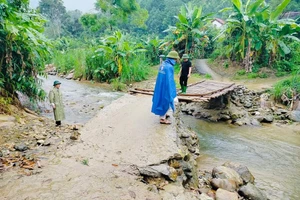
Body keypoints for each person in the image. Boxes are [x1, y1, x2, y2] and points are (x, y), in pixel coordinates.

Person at [151, 50, 179, 125]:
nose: (176, 61)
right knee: (167, 100)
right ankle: (162, 119)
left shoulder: (163, 64)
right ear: (173, 59)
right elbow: (170, 80)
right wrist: (172, 90)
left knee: (161, 100)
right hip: (166, 86)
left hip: (160, 86)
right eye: (176, 59)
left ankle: (164, 114)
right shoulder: (169, 67)